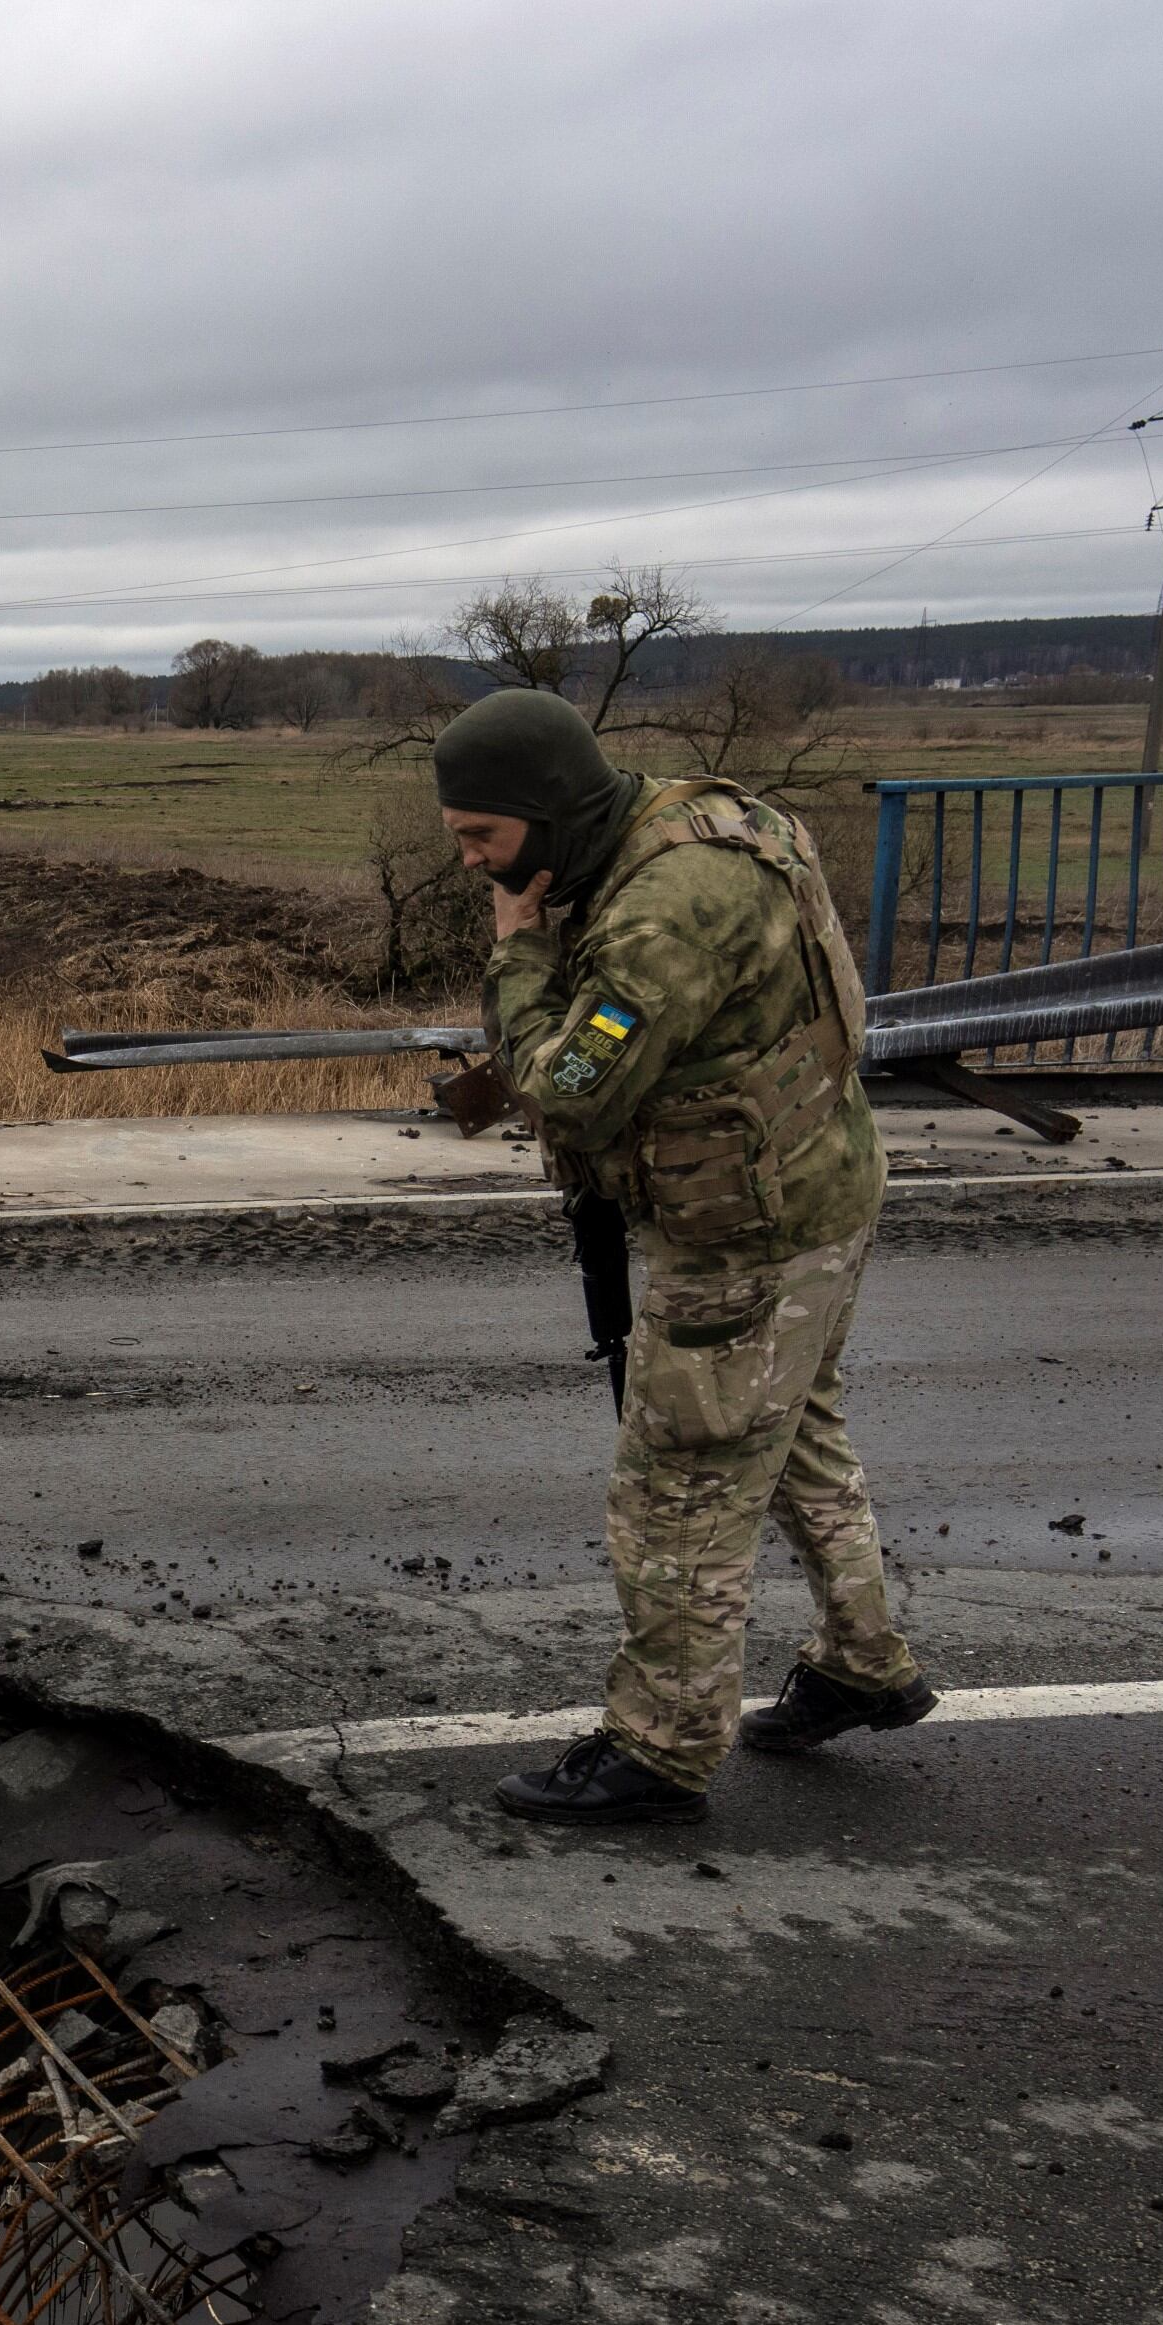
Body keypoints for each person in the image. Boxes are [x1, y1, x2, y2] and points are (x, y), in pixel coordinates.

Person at [433, 688, 938, 1824]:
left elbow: (568, 1088)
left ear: (551, 814)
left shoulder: (661, 911)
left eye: (485, 838)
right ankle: (866, 1661)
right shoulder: (712, 816)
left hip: (748, 1239)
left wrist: (516, 958)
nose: (473, 862)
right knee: (795, 1433)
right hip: (826, 1185)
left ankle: (660, 1749)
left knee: (679, 1488)